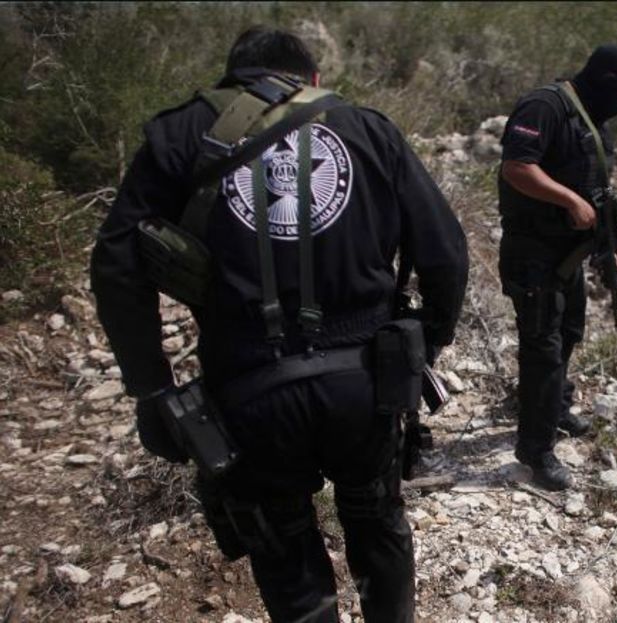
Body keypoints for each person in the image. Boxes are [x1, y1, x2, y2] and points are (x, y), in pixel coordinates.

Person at [89, 26, 468, 623]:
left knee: (282, 539)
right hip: (364, 381)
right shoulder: (367, 129)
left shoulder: (180, 134)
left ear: (231, 79)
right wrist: (428, 342)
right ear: (312, 79)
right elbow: (445, 251)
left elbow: (116, 266)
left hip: (248, 390)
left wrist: (152, 389)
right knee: (377, 519)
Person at [498, 44, 617, 491]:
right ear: (606, 82)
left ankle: (554, 408)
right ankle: (536, 453)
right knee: (542, 347)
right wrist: (569, 200)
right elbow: (517, 167)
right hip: (533, 252)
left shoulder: (590, 119)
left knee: (569, 332)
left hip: (568, 255)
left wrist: (607, 247)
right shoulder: (545, 106)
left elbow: (596, 188)